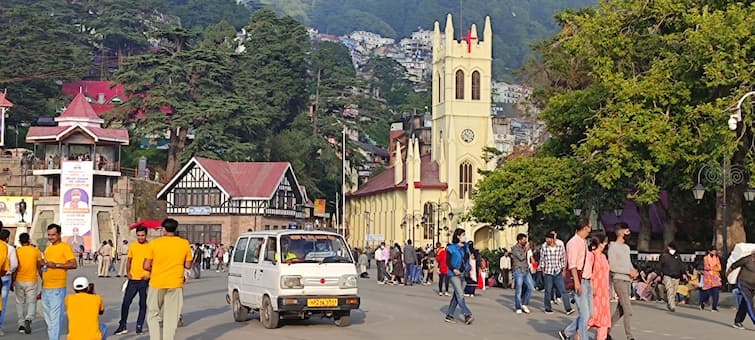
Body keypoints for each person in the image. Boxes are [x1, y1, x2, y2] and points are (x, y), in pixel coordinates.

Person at [144, 218, 193, 340]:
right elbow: (187, 265)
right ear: (175, 230)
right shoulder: (184, 243)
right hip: (175, 283)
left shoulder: (155, 243)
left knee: (153, 314)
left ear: (163, 230)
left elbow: (146, 265)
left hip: (157, 282)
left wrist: (155, 269)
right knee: (171, 316)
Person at [559, 218, 593, 340]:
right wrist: (577, 283)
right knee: (585, 314)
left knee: (590, 314)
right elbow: (572, 264)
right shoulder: (573, 243)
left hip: (587, 279)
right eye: (589, 226)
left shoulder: (583, 241)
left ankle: (567, 332)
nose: (590, 229)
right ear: (585, 227)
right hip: (580, 279)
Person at [42, 223, 77, 340]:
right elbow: (48, 266)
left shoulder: (65, 247)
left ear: (59, 234)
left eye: (53, 235)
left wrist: (56, 265)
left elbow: (73, 264)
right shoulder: (48, 248)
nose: (51, 237)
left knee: (55, 319)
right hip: (46, 288)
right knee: (49, 319)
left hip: (57, 288)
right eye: (49, 235)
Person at [114, 226, 151, 335]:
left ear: (146, 235)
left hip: (144, 279)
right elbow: (129, 261)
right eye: (138, 235)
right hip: (133, 279)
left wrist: (150, 274)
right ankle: (122, 325)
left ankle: (139, 325)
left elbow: (155, 263)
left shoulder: (151, 247)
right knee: (126, 302)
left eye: (142, 235)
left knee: (142, 303)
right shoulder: (133, 246)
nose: (141, 238)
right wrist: (128, 272)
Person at [608, 222, 638, 340]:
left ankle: (605, 331)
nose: (628, 233)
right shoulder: (613, 247)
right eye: (627, 231)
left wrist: (633, 271)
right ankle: (630, 336)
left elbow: (628, 263)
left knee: (620, 310)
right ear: (620, 232)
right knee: (628, 310)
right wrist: (627, 271)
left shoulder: (626, 248)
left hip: (627, 280)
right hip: (619, 280)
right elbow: (612, 266)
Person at [444, 228, 473, 325]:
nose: (464, 236)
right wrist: (453, 269)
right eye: (463, 234)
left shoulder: (466, 247)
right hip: (454, 274)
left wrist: (469, 268)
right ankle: (467, 314)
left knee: (456, 296)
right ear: (458, 236)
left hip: (463, 274)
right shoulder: (451, 248)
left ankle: (449, 315)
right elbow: (447, 261)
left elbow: (468, 259)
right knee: (460, 294)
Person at [14, 232, 42, 334]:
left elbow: (14, 267)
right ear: (29, 240)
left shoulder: (17, 251)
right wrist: (42, 278)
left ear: (20, 242)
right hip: (31, 280)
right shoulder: (35, 251)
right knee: (31, 301)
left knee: (19, 302)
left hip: (19, 279)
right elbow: (39, 266)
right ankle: (29, 318)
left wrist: (13, 280)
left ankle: (21, 324)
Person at [541, 231, 573, 315]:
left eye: (548, 239)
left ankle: (568, 308)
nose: (547, 240)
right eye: (546, 239)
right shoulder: (544, 247)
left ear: (552, 239)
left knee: (563, 290)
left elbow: (563, 258)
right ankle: (547, 308)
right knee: (548, 290)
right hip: (548, 271)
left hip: (557, 271)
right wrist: (543, 270)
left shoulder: (560, 246)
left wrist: (563, 269)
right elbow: (542, 259)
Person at [588, 233, 610, 340]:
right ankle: (578, 334)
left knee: (604, 320)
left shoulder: (603, 256)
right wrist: (591, 287)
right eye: (604, 242)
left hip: (604, 292)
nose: (605, 244)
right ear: (600, 243)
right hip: (595, 290)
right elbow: (588, 274)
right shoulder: (591, 256)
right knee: (592, 316)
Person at [726, 250, 755, 330]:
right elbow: (734, 265)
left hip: (752, 287)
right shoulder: (747, 259)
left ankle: (738, 321)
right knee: (749, 302)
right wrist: (727, 275)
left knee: (745, 304)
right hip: (743, 284)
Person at [511, 233, 534, 314]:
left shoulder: (525, 248)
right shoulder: (514, 248)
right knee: (519, 289)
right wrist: (526, 250)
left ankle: (524, 303)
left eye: (526, 240)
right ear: (519, 240)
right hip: (518, 270)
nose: (525, 241)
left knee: (531, 287)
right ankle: (518, 307)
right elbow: (521, 257)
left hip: (526, 270)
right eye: (524, 240)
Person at [0, 229, 18, 335]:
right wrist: (10, 271)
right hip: (5, 277)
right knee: (2, 303)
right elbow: (15, 264)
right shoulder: (10, 248)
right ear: (7, 238)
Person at [658, 242, 685, 312]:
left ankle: (669, 302)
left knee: (674, 291)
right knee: (669, 290)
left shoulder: (678, 256)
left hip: (677, 276)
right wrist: (659, 274)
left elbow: (681, 266)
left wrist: (683, 273)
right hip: (667, 275)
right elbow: (660, 266)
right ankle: (672, 305)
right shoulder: (664, 256)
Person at [700, 246, 722, 311]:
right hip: (708, 277)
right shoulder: (705, 258)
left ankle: (714, 307)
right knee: (707, 292)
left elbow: (719, 267)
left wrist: (712, 267)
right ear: (709, 251)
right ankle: (703, 302)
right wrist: (713, 267)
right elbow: (706, 267)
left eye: (715, 251)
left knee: (716, 292)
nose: (714, 252)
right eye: (713, 251)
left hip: (715, 277)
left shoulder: (717, 258)